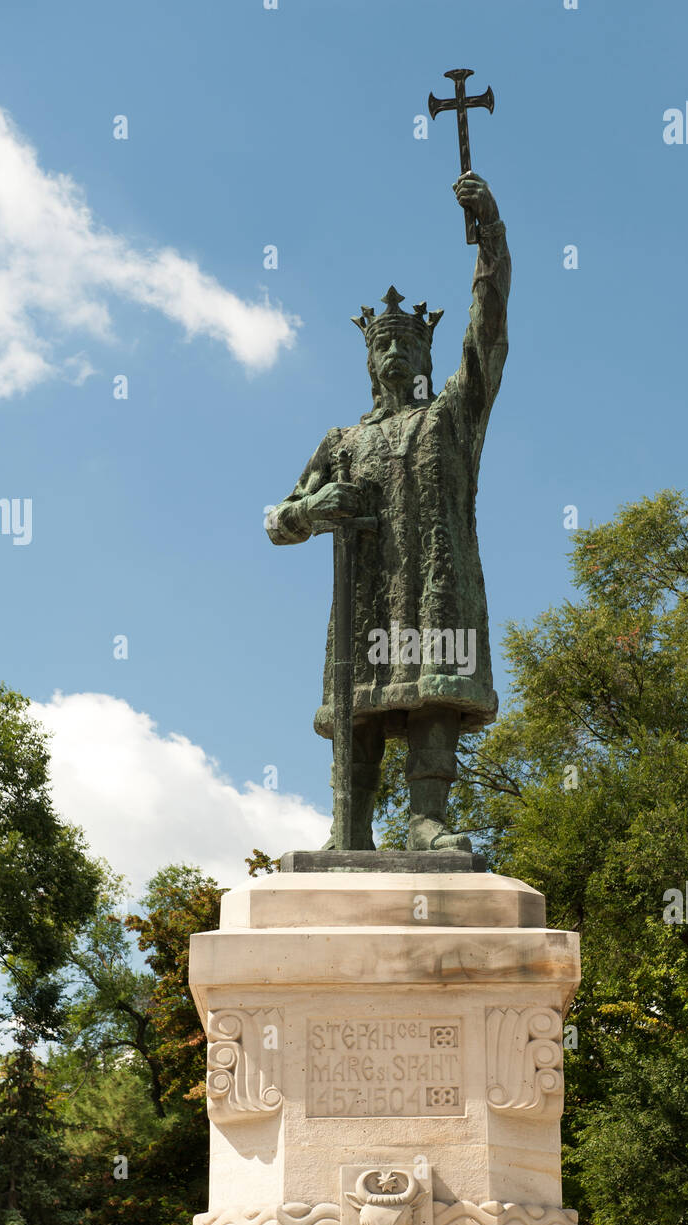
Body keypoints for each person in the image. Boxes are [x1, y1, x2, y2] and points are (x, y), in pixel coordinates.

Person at [266, 172, 510, 852]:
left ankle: (426, 821)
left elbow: (488, 335)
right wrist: (313, 506)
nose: (397, 353)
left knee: (432, 692)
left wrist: (490, 237)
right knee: (361, 703)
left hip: (435, 593)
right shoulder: (341, 442)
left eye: (408, 344)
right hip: (367, 599)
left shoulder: (453, 417)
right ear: (370, 362)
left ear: (428, 354)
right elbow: (277, 520)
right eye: (384, 346)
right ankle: (351, 828)